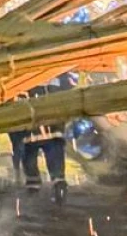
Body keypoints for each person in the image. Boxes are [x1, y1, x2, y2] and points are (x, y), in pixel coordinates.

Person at [9, 72, 76, 201]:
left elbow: (71, 85)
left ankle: (52, 184)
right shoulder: (58, 71)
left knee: (46, 155)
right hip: (33, 126)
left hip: (47, 125)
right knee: (33, 157)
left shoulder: (61, 70)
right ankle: (41, 186)